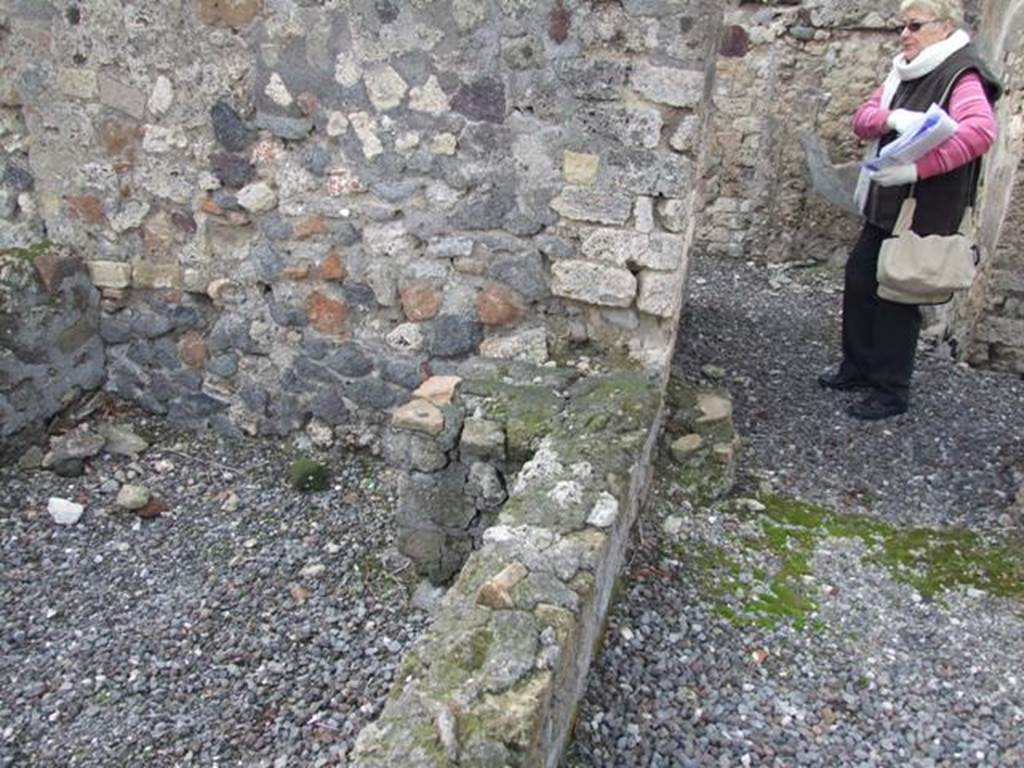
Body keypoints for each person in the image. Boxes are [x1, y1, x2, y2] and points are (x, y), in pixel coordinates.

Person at [819, 0, 1002, 420]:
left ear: (944, 26)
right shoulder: (904, 69)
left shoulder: (961, 72)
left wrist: (918, 169)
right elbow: (863, 119)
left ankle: (890, 391)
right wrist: (893, 118)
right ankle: (858, 367)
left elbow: (979, 132)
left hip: (921, 208)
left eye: (915, 25)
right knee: (861, 278)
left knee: (899, 294)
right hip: (887, 203)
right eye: (902, 25)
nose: (905, 34)